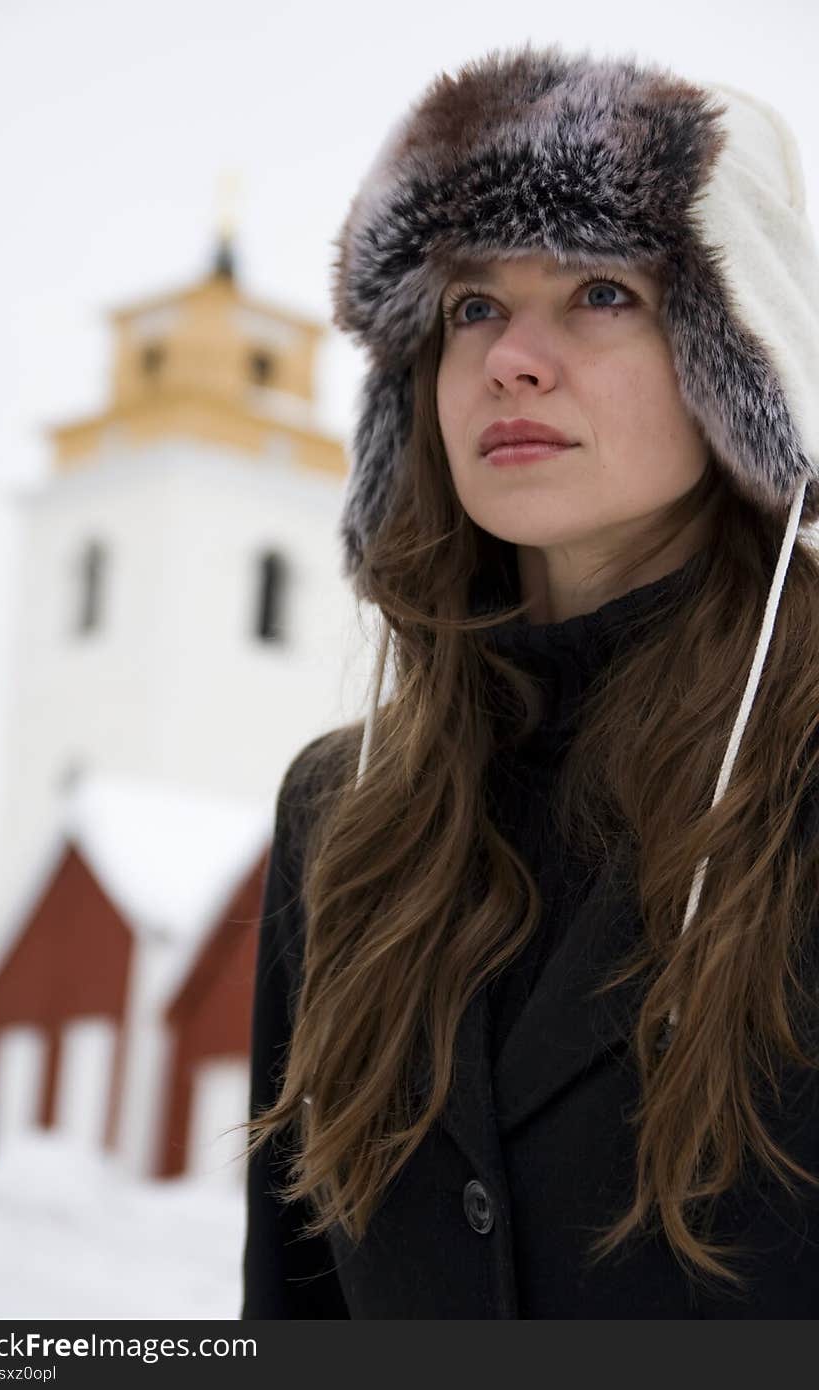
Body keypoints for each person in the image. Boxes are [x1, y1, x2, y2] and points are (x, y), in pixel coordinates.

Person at [236, 41, 819, 1318]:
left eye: (600, 290)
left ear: (747, 349)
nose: (510, 358)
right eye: (471, 307)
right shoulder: (342, 811)